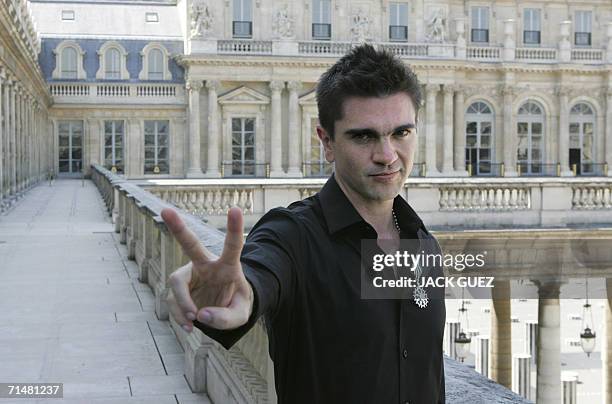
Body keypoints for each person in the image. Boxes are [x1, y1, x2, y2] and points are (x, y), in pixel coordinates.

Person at [161, 43, 446, 404]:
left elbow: (430, 377)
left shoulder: (423, 243)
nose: (387, 155)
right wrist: (236, 293)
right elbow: (262, 270)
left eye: (401, 133)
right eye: (364, 136)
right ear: (326, 142)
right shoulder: (292, 235)